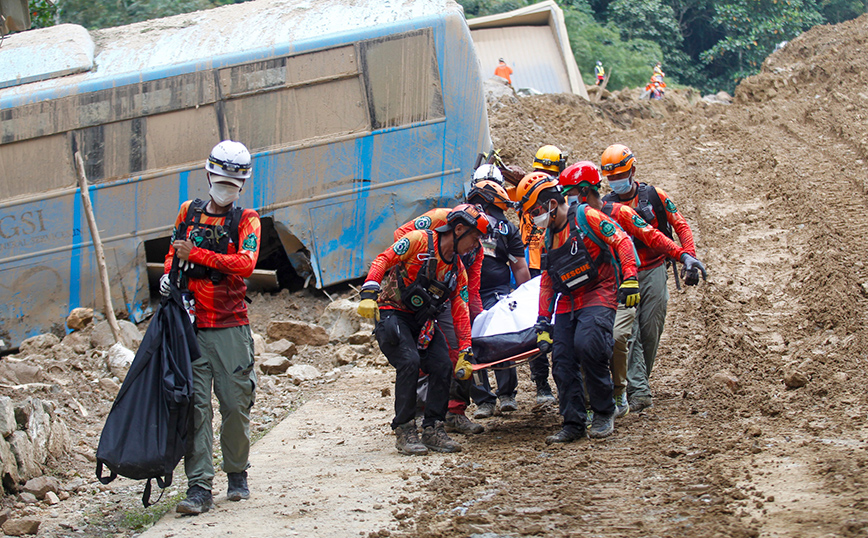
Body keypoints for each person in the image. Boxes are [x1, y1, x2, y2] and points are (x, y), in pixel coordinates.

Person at [161, 140, 261, 514]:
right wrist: (170, 275)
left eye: (232, 184)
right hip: (191, 327)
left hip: (230, 326)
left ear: (241, 186)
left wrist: (198, 255)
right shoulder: (188, 212)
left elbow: (246, 262)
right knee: (196, 408)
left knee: (235, 404)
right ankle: (199, 487)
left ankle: (236, 473)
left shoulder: (246, 219)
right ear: (208, 175)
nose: (224, 189)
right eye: (220, 180)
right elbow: (175, 250)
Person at [559, 161, 704, 419]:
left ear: (582, 191)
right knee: (599, 341)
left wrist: (685, 256)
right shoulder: (571, 221)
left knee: (638, 334)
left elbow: (651, 236)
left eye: (568, 193)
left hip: (634, 278)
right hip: (597, 290)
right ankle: (610, 395)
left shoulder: (621, 211)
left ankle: (625, 391)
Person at [358, 205, 493, 455]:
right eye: (475, 238)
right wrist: (369, 291)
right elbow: (383, 258)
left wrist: (465, 350)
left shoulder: (457, 269)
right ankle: (405, 429)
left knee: (443, 365)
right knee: (409, 361)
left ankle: (434, 428)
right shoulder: (419, 240)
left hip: (423, 321)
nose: (476, 245)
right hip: (392, 313)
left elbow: (460, 307)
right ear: (459, 229)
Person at [517, 171, 639, 443]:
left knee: (589, 344)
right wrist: (542, 321)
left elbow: (621, 240)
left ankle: (604, 411)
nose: (534, 218)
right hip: (568, 299)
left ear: (550, 203)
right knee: (561, 360)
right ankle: (573, 422)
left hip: (599, 291)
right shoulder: (549, 236)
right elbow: (548, 281)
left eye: (535, 211)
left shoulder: (586, 216)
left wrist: (630, 278)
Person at [600, 144, 706, 413]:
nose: (615, 182)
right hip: (625, 274)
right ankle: (638, 390)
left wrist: (689, 258)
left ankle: (639, 382)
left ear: (632, 170)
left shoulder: (655, 196)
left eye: (619, 175)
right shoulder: (607, 206)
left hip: (656, 268)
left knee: (650, 330)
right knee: (627, 333)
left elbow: (680, 224)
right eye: (610, 178)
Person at [393, 207, 485, 436]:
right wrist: (428, 263)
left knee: (460, 352)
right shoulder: (438, 218)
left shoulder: (476, 250)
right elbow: (400, 237)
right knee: (418, 356)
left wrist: (479, 320)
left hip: (447, 297)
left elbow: (470, 290)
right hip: (418, 293)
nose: (476, 242)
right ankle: (418, 411)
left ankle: (455, 412)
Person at [464, 179, 532, 418]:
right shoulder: (460, 221)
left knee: (501, 340)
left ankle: (506, 395)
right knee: (468, 344)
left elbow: (520, 267)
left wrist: (526, 299)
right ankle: (484, 399)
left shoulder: (507, 229)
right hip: (465, 293)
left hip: (496, 292)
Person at [520, 145, 567, 404]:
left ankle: (543, 384)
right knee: (551, 322)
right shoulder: (555, 197)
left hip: (536, 265)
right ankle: (546, 382)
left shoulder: (530, 192)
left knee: (538, 323)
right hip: (549, 264)